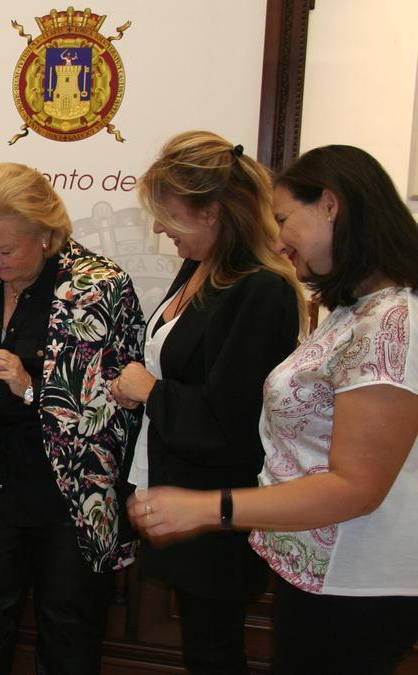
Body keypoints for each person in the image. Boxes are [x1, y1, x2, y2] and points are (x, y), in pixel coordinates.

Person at [128, 145, 418, 675]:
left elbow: (356, 485)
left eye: (285, 219)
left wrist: (208, 508)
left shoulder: (393, 320)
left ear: (330, 206)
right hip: (317, 568)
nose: (278, 236)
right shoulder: (355, 310)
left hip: (357, 578)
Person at [0, 162, 144, 674]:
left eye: (6, 251)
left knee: (67, 626)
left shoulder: (98, 287)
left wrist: (30, 388)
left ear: (47, 234)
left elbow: (116, 408)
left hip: (66, 486)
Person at [110, 131, 305, 673]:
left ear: (212, 212)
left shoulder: (261, 290)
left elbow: (232, 421)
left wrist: (151, 392)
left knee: (215, 652)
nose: (157, 227)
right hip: (176, 485)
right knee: (202, 647)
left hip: (216, 504)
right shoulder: (199, 266)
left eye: (167, 214)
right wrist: (139, 392)